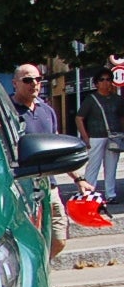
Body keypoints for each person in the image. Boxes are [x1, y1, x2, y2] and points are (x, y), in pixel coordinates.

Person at [12, 62, 93, 259]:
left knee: (58, 238)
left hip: (49, 185)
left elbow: (57, 148)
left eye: (38, 79)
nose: (34, 84)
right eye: (28, 80)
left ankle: (42, 271)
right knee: (27, 239)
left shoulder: (46, 111)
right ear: (15, 83)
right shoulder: (6, 112)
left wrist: (78, 179)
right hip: (22, 186)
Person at [77, 67, 121, 202]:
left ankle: (110, 195)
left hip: (114, 137)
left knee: (111, 167)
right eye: (102, 80)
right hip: (96, 137)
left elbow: (121, 117)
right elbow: (79, 118)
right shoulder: (91, 99)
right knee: (93, 166)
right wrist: (85, 137)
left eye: (108, 79)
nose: (106, 82)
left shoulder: (117, 99)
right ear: (96, 83)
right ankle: (89, 195)